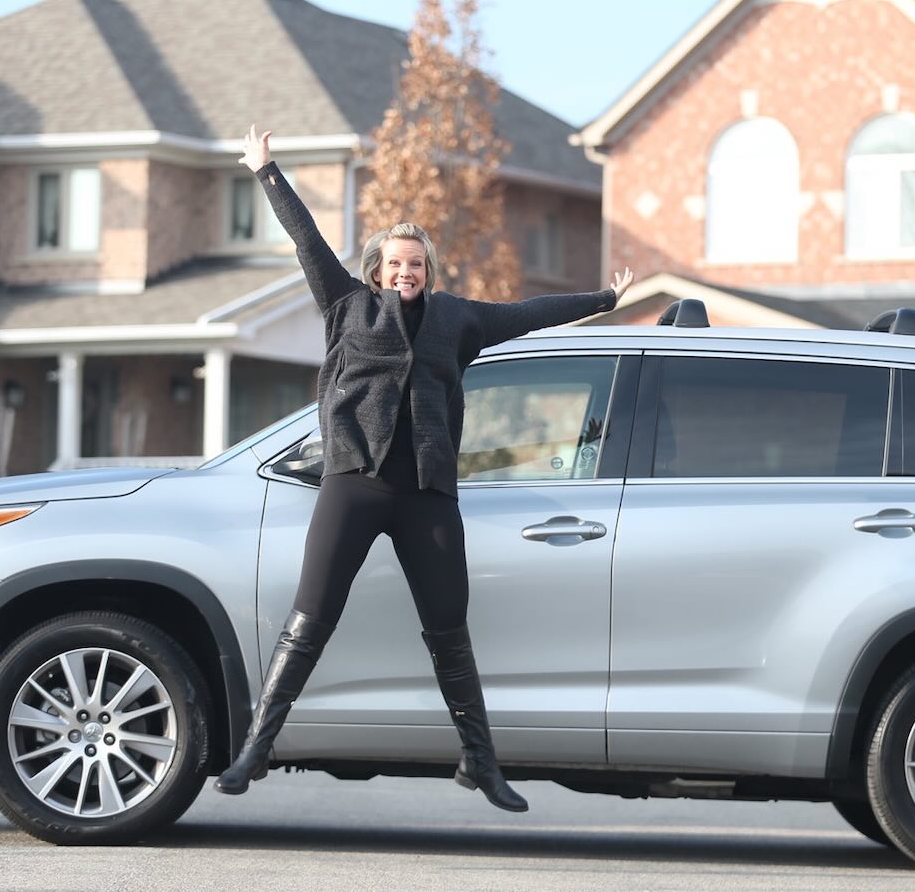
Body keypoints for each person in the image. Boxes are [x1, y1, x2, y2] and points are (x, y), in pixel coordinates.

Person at [214, 125, 634, 811]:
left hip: (426, 493)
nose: (406, 272)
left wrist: (601, 301)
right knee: (310, 618)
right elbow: (306, 239)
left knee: (450, 627)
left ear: (427, 273)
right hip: (354, 483)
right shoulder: (345, 304)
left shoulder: (455, 319)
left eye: (417, 265)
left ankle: (481, 762)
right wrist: (266, 171)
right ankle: (254, 751)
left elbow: (527, 312)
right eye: (396, 263)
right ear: (377, 268)